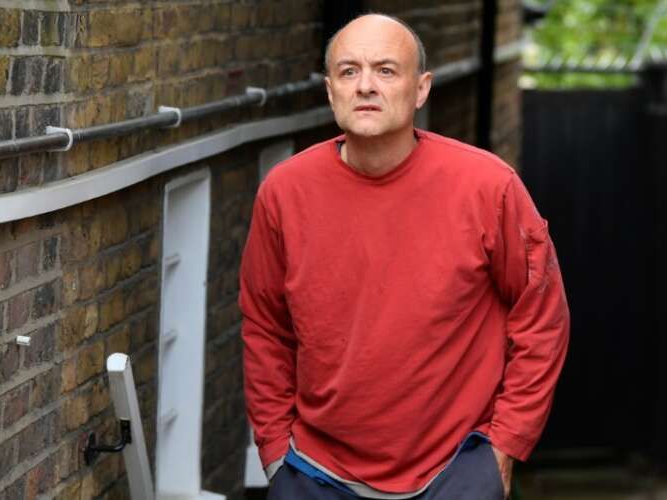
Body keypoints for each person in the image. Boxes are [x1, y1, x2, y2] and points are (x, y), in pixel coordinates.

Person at [239, 13, 569, 500]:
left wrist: (505, 444)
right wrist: (274, 449)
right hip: (314, 472)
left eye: (386, 70)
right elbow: (265, 325)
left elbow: (541, 317)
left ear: (421, 89)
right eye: (349, 71)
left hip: (455, 469)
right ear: (330, 91)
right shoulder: (284, 193)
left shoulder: (487, 187)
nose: (365, 86)